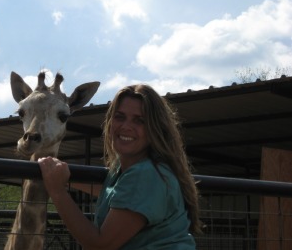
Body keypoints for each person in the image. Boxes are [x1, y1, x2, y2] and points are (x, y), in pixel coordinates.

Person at [38, 84, 202, 250]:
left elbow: (100, 245)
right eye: (119, 117)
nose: (126, 126)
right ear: (109, 122)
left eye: (139, 120)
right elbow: (117, 193)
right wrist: (62, 179)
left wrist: (57, 190)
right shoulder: (127, 170)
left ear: (156, 128)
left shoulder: (145, 174)